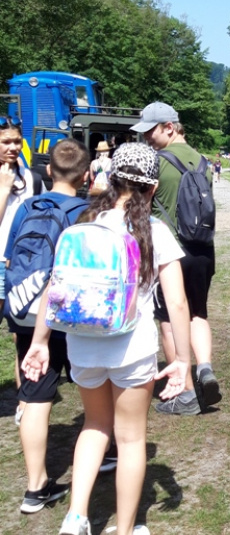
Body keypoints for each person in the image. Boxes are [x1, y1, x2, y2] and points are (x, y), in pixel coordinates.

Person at [21, 142, 193, 535]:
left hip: (82, 345)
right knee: (130, 440)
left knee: (94, 426)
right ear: (152, 188)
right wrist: (182, 360)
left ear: (110, 178)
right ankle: (126, 528)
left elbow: (54, 286)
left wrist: (40, 342)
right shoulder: (154, 231)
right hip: (131, 348)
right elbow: (177, 302)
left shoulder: (83, 222)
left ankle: (75, 517)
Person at [7, 139, 89, 514]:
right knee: (94, 387)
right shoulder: (86, 213)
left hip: (26, 314)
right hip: (70, 318)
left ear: (49, 171)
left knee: (35, 397)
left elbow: (10, 259)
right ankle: (105, 452)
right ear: (86, 176)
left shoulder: (28, 207)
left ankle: (35, 487)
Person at [131, 101, 222, 416]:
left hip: (170, 251)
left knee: (169, 320)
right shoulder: (203, 161)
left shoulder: (156, 162)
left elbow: (142, 206)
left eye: (150, 131)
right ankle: (204, 368)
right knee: (198, 312)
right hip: (203, 249)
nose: (147, 138)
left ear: (169, 127)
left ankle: (184, 393)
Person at [0, 116, 37, 425]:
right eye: (5, 142)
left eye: (16, 141)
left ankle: (24, 400)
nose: (12, 147)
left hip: (20, 265)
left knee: (21, 336)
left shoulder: (30, 177)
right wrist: (3, 189)